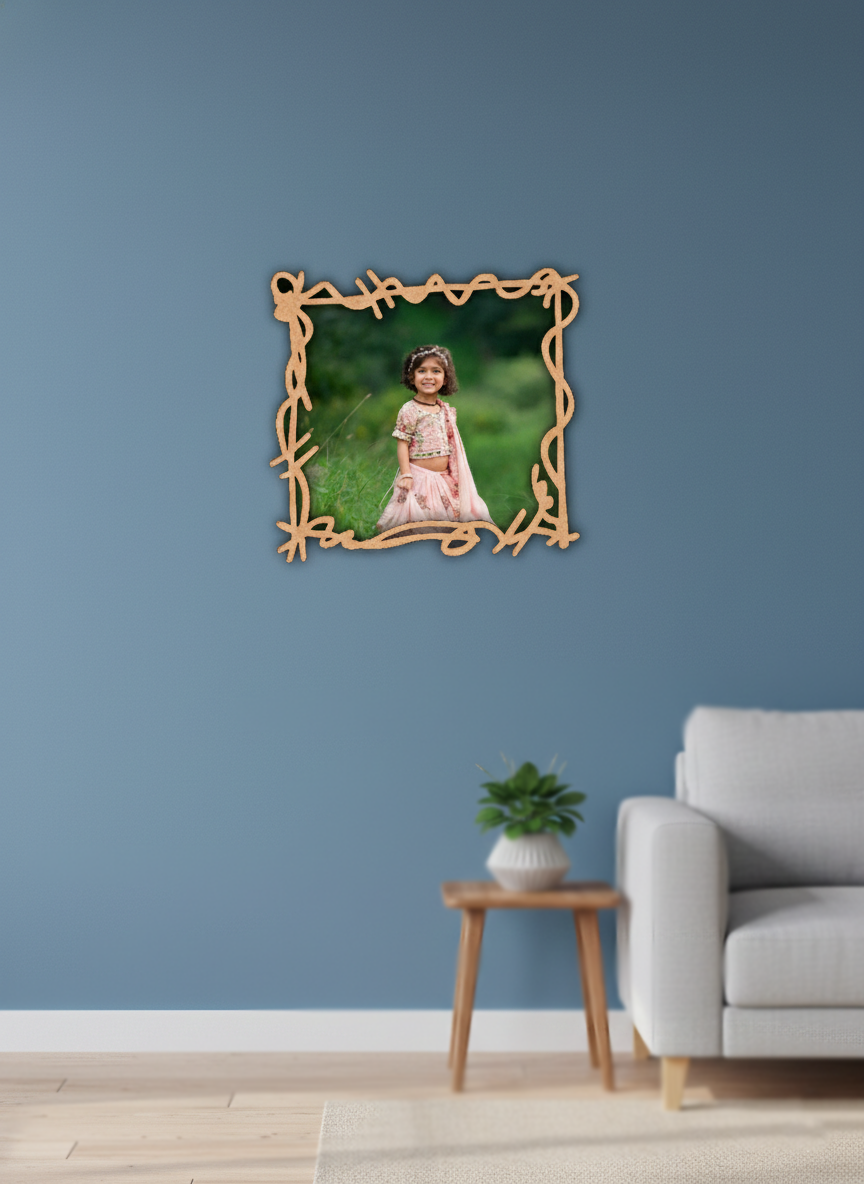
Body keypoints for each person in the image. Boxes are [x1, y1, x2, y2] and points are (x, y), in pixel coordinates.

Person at [376, 345, 495, 534]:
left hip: (444, 481)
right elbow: (402, 444)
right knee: (419, 525)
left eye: (436, 371)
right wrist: (406, 474)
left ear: (445, 378)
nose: (429, 376)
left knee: (445, 525)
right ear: (411, 377)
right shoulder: (410, 410)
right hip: (419, 480)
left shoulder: (445, 410)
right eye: (422, 371)